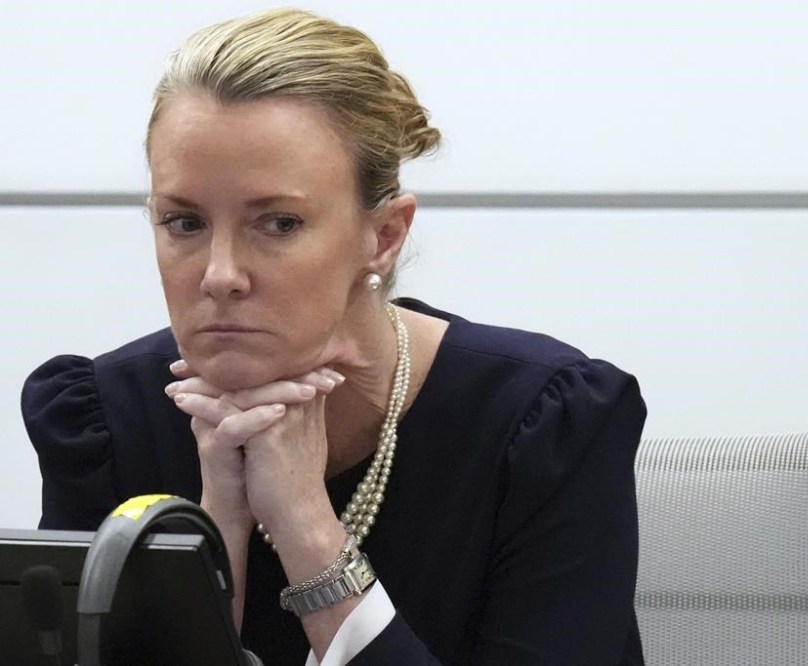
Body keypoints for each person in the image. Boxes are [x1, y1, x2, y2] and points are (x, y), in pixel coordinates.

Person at [21, 8, 647, 665]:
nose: (220, 275)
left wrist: (306, 527)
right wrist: (211, 535)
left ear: (383, 237)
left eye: (280, 223)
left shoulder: (545, 426)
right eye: (183, 222)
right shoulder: (102, 422)